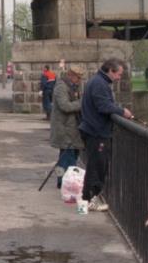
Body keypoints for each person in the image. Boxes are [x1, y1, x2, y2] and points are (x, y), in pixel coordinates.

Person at [78, 57, 134, 213]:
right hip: (97, 132)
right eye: (119, 74)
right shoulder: (99, 84)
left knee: (94, 166)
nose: (119, 78)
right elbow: (103, 106)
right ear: (110, 71)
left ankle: (85, 203)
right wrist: (122, 111)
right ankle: (90, 200)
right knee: (97, 167)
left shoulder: (97, 81)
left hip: (93, 130)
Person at [49, 64, 85, 189]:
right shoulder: (61, 87)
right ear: (70, 75)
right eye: (78, 77)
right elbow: (65, 106)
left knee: (66, 156)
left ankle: (62, 180)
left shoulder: (73, 87)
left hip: (70, 128)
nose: (79, 80)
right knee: (67, 158)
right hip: (64, 129)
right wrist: (82, 103)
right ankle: (65, 181)